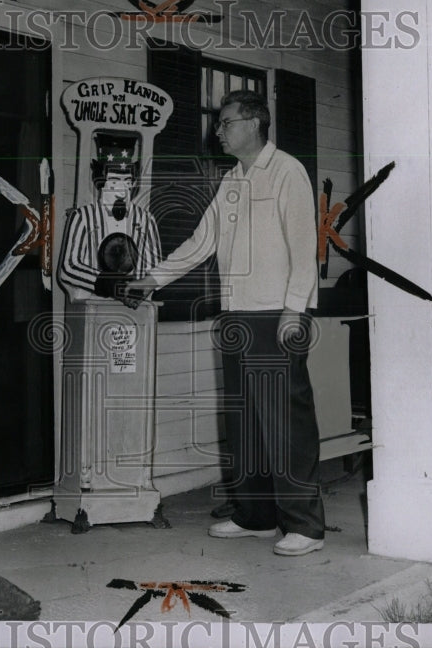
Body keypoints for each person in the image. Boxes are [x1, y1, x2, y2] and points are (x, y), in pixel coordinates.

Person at [127, 90, 325, 556]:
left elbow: (304, 248)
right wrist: (151, 279)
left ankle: (306, 527)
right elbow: (201, 242)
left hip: (276, 316)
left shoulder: (287, 172)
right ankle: (255, 517)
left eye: (226, 122)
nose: (218, 130)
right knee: (247, 423)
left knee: (284, 426)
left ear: (255, 123)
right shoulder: (233, 180)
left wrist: (294, 310)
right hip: (236, 315)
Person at [58, 134, 161, 307]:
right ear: (100, 183)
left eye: (127, 182)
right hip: (90, 305)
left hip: (135, 310)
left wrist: (139, 291)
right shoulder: (83, 217)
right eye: (113, 182)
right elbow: (68, 268)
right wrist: (112, 285)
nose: (121, 191)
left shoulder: (146, 220)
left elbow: (155, 269)